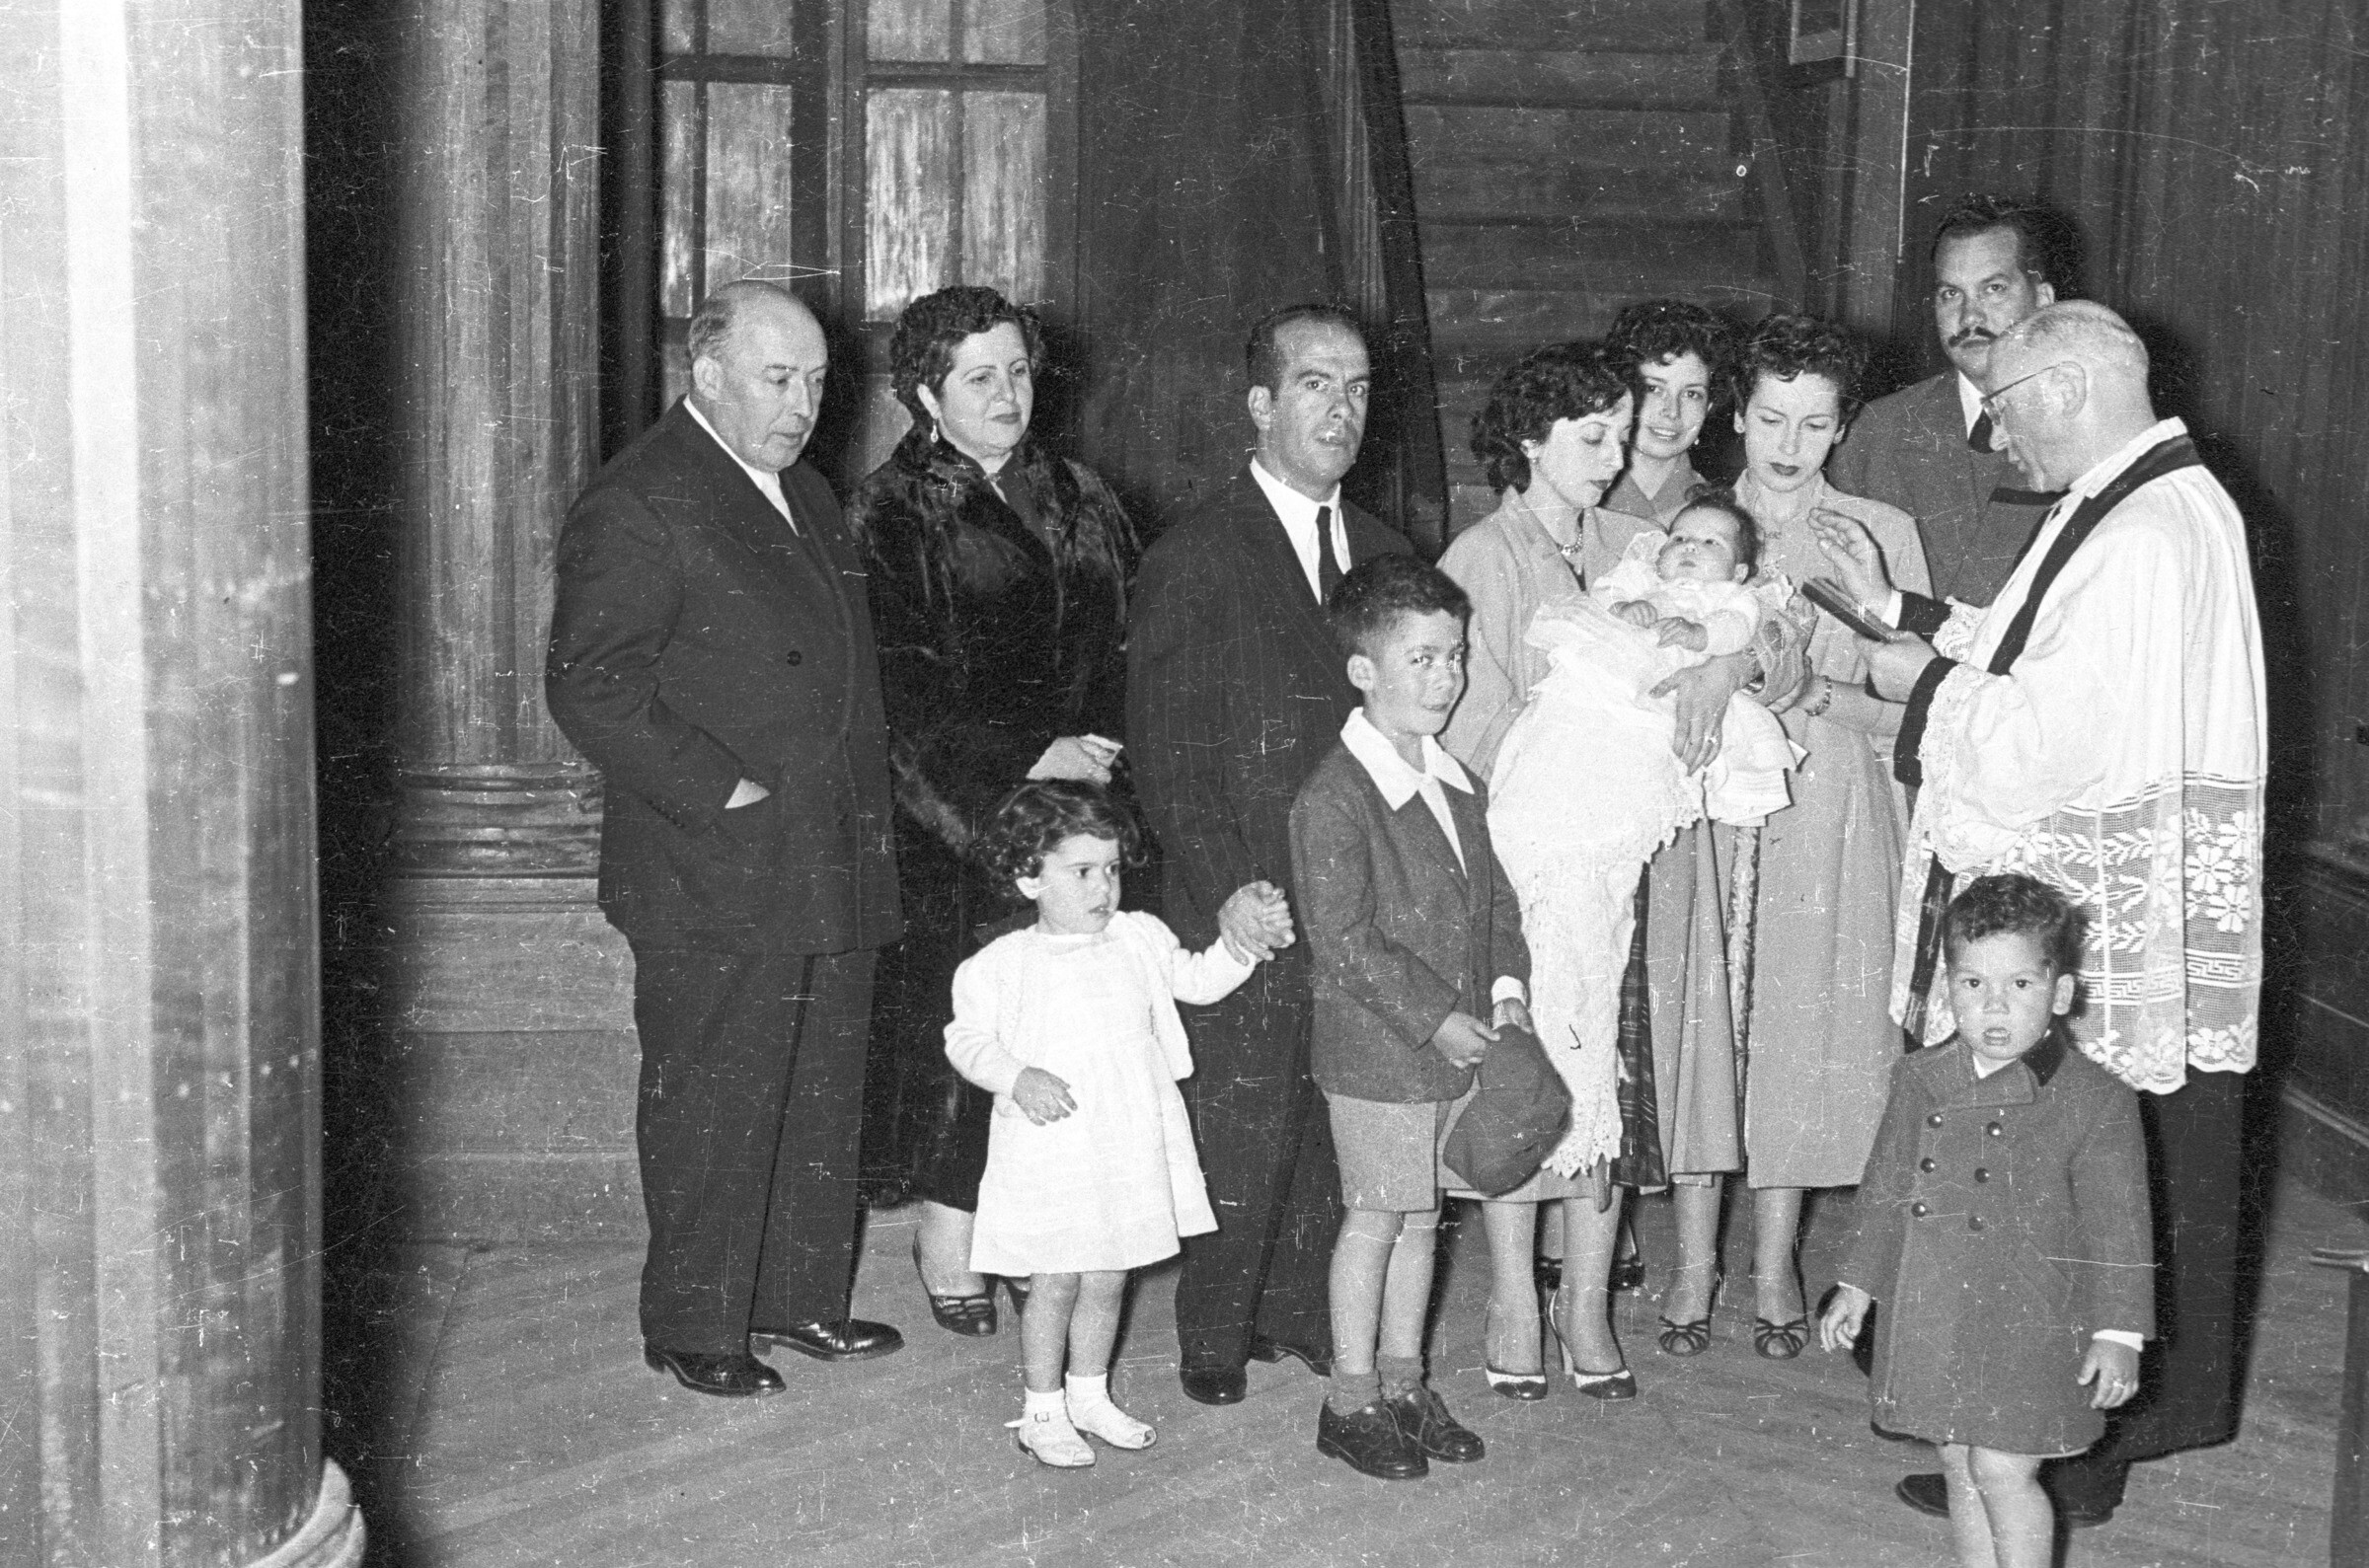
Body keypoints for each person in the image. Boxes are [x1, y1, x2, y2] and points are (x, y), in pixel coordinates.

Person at [1818, 299, 2266, 1528]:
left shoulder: (2142, 531)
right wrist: (1907, 614)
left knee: (2064, 1186)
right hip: (2100, 898)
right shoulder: (2144, 497)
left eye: (2005, 409)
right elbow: (2034, 657)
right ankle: (2020, 1434)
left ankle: (2044, 1451)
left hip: (2084, 923)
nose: (1995, 439)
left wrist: (1918, 689)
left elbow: (2042, 743)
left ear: (2066, 390)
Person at [546, 280, 904, 1397]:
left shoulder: (798, 485)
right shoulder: (643, 498)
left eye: (814, 381)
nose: (802, 404)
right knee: (717, 1097)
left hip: (825, 848)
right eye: (775, 378)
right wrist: (722, 789)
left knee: (817, 1087)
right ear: (707, 376)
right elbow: (588, 684)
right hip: (719, 860)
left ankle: (799, 1297)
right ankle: (697, 1321)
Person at [1438, 342, 1805, 1400]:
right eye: (1591, 434)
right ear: (1529, 441)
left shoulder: (1636, 541)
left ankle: (1587, 1300)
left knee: (1613, 1076)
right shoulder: (1485, 556)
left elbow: (1751, 621)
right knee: (1529, 1069)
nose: (1615, 453)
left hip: (1639, 858)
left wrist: (1726, 662)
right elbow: (1470, 722)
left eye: (1618, 428)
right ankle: (1515, 1294)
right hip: (1532, 854)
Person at [1127, 302, 1411, 1406]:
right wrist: (1222, 891)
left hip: (1360, 889)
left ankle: (1298, 1311)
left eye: (1356, 388)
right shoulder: (1195, 553)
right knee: (1240, 1120)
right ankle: (1211, 1334)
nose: (1340, 409)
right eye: (1314, 385)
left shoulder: (1388, 551)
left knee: (1335, 1115)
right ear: (1260, 404)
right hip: (1247, 887)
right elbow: (1165, 746)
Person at [848, 285, 1138, 1338]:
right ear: (927, 393)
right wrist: (1023, 762)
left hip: (1087, 820)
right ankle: (948, 1226)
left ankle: (1041, 1231)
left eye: (1019, 371)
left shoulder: (1082, 492)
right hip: (960, 831)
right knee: (974, 1035)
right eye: (980, 377)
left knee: (1076, 1035)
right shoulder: (890, 511)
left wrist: (1104, 762)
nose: (1009, 393)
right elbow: (895, 695)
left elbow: (1124, 645)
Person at [944, 781, 1282, 1467]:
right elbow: (966, 1039)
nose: (1104, 887)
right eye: (1082, 871)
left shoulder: (1138, 936)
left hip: (1126, 1137)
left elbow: (1196, 979)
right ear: (1027, 876)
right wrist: (1016, 1075)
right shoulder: (1001, 963)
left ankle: (1089, 1393)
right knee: (1056, 1279)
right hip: (1053, 1145)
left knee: (1108, 1274)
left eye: (1112, 869)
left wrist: (1241, 946)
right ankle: (1042, 1409)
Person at [1821, 874, 2153, 1568]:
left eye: (2020, 986)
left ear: (2060, 992)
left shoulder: (2093, 1100)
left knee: (2005, 1469)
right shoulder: (1920, 1078)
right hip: (1935, 1310)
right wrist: (1857, 1284)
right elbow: (1886, 1190)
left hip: (2031, 1317)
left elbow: (2119, 1227)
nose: (1994, 1006)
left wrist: (2119, 1332)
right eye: (1973, 985)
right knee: (1959, 1461)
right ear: (1948, 988)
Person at [1713, 313, 1927, 1363]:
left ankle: (1774, 1264)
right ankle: (1687, 1262)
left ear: (1842, 425)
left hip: (1836, 805)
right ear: (1736, 412)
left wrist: (1817, 689)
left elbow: (1913, 709)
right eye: (1768, 417)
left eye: (1815, 422)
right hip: (1717, 813)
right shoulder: (1696, 524)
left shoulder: (1873, 529)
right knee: (1712, 1028)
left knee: (1804, 1035)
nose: (1789, 445)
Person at [1289, 556, 1530, 1478]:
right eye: (1423, 659)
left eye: (1456, 656)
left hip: (1451, 1042)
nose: (1448, 677)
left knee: (1422, 1218)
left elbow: (1495, 901)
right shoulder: (1336, 796)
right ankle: (1348, 1397)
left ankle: (1403, 1381)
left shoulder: (1453, 776)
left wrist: (1504, 989)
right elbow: (1344, 940)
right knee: (1378, 1217)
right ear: (1363, 670)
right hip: (1380, 1051)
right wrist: (1437, 1018)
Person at [1826, 196, 2073, 605]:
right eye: (1950, 294)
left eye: (1993, 289)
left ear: (2043, 299)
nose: (1970, 317)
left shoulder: (2087, 432)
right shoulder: (1878, 432)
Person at [1603, 299, 1739, 528]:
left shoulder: (1719, 512)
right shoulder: (1582, 492)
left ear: (1708, 406)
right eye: (1653, 389)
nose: (1672, 412)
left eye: (1692, 394)